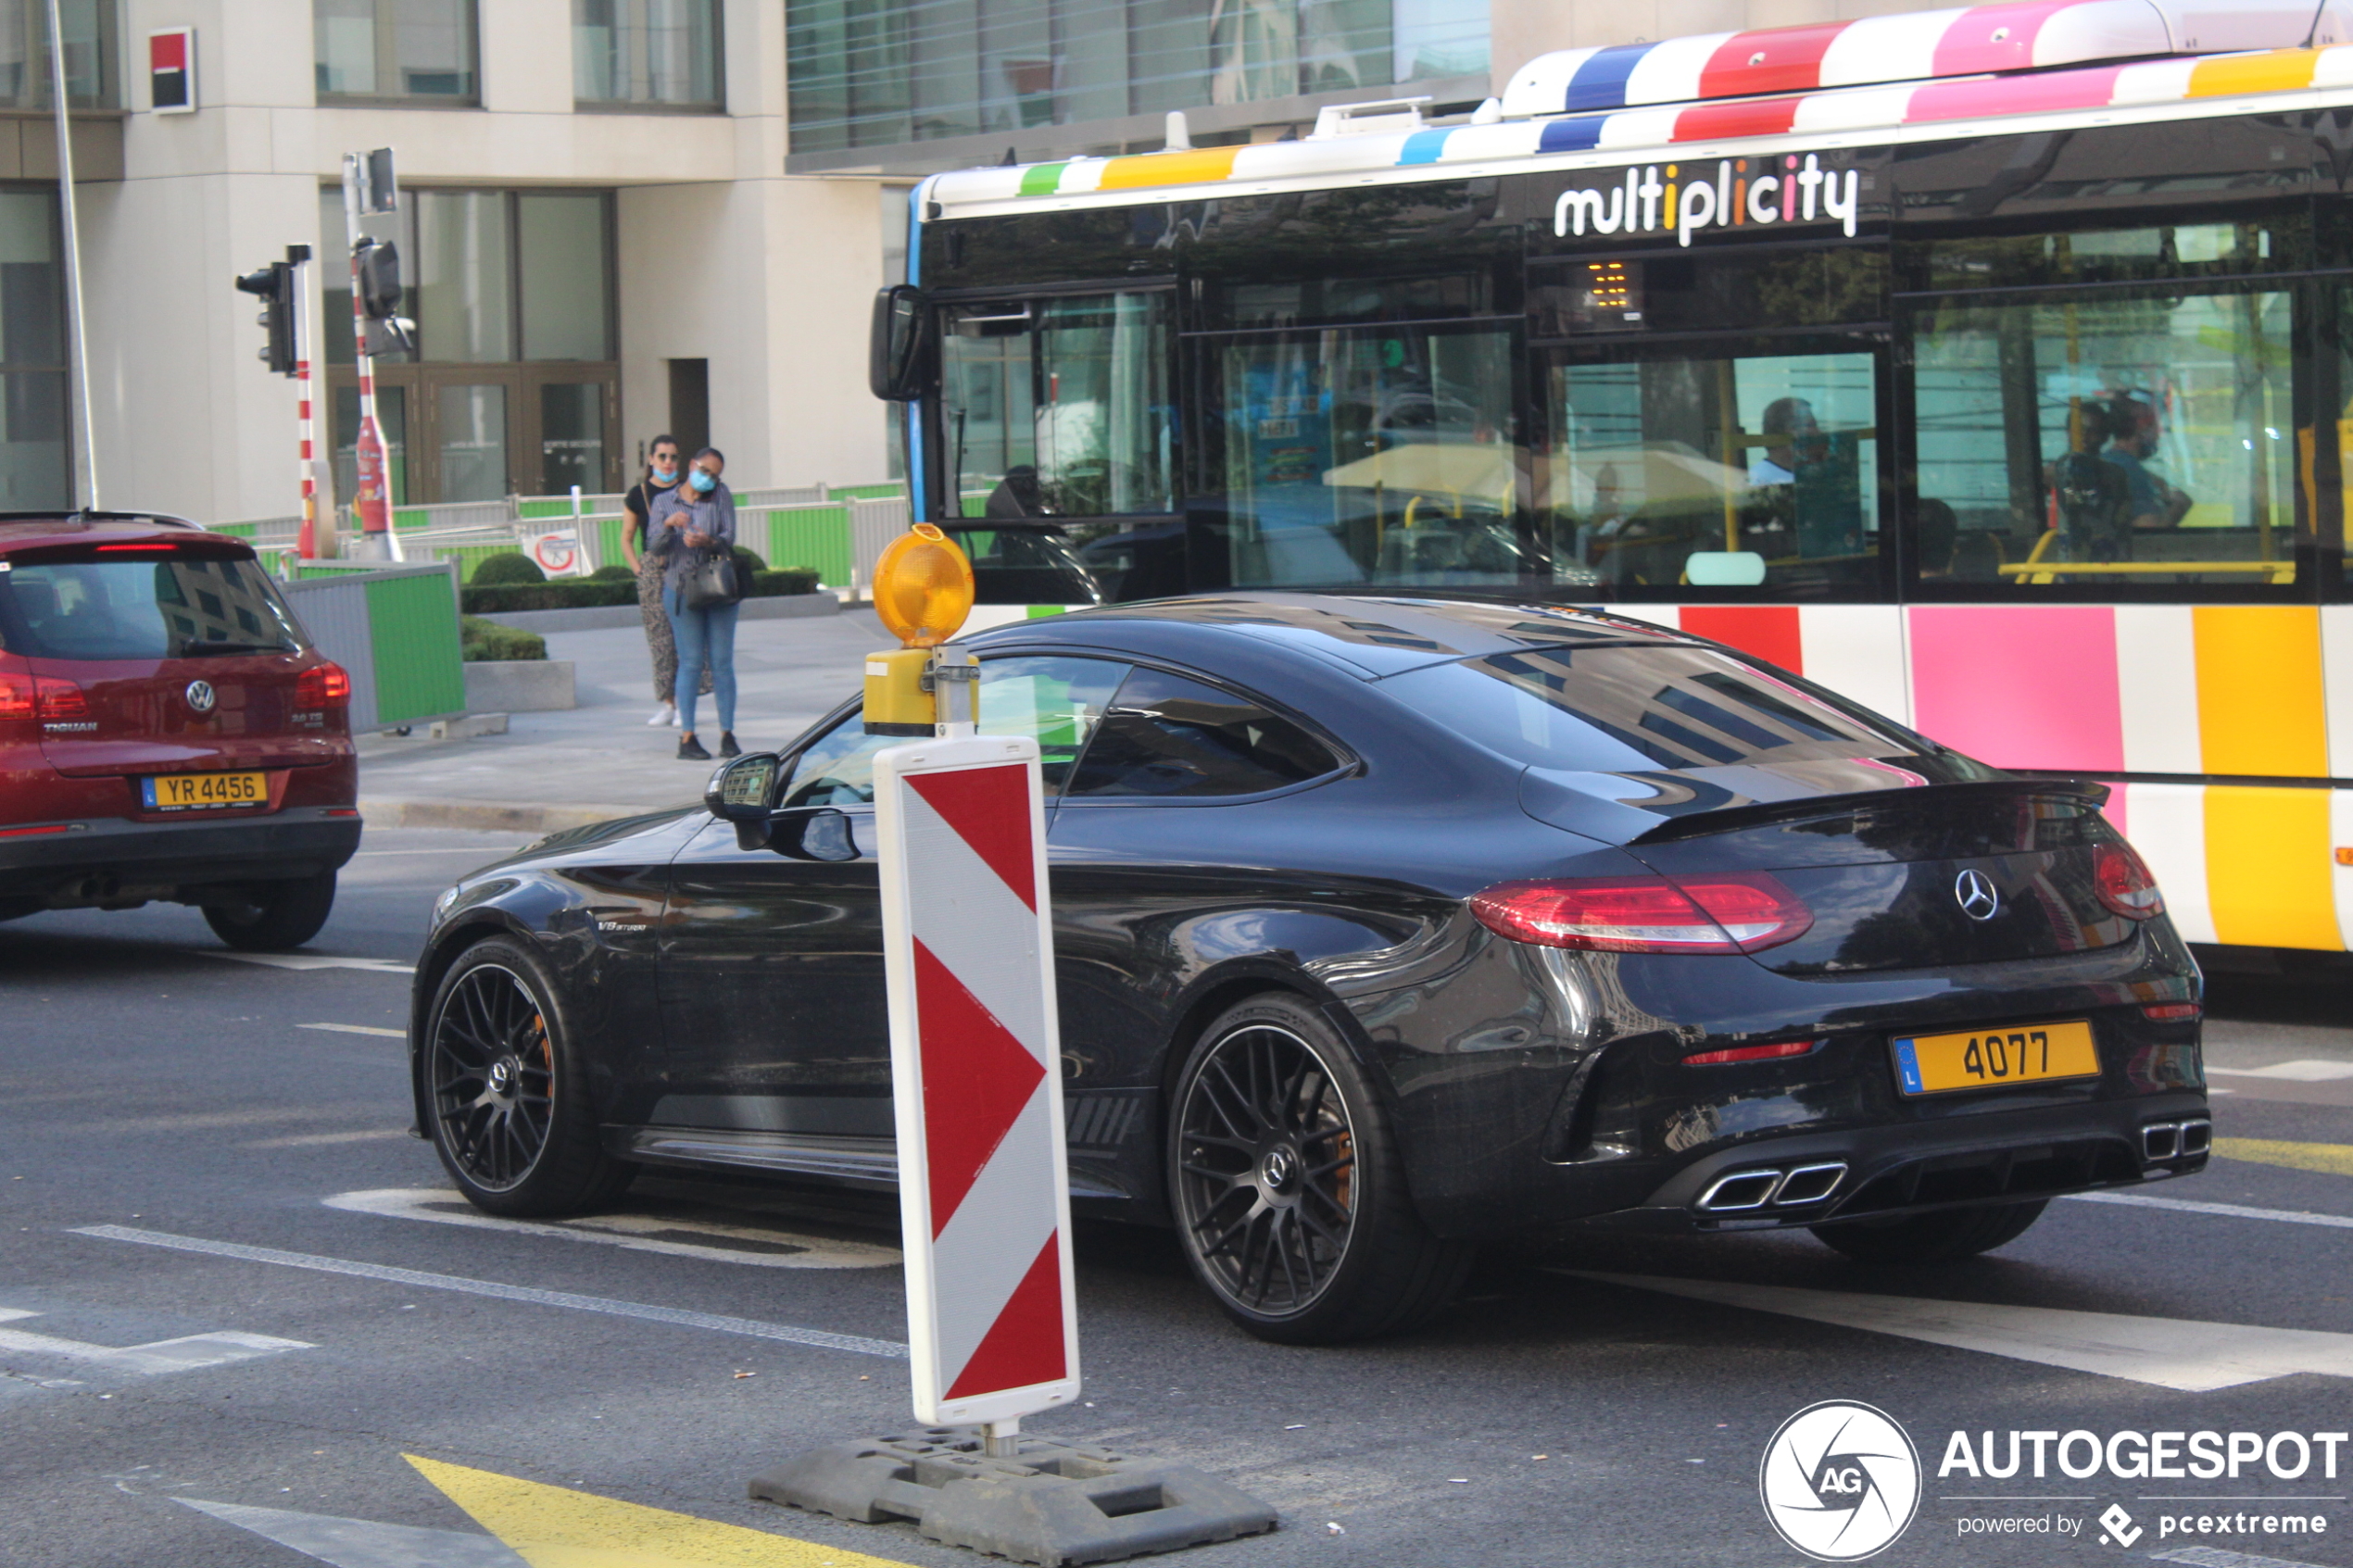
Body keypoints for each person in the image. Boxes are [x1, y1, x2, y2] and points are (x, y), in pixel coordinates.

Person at [648, 446, 741, 761]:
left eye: (714, 475)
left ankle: (727, 734)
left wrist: (708, 540)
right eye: (704, 471)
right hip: (681, 587)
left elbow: (730, 536)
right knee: (689, 662)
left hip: (717, 586)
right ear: (691, 465)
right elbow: (653, 546)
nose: (708, 479)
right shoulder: (664, 501)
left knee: (722, 662)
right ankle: (687, 736)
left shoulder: (721, 495)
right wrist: (670, 525)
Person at [619, 435, 707, 728]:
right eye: (663, 456)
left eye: (673, 457)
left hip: (685, 568)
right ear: (651, 460)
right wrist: (638, 569)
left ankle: (685, 703)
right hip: (653, 572)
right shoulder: (638, 494)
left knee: (687, 638)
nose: (668, 462)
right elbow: (627, 537)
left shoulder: (689, 490)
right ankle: (669, 704)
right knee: (660, 641)